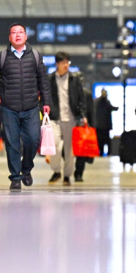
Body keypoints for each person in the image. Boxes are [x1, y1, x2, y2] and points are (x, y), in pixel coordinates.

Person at [0, 23, 52, 191]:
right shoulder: (1, 56)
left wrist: (46, 102)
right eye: (14, 32)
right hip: (8, 108)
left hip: (32, 107)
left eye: (21, 32)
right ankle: (15, 177)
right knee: (12, 143)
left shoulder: (35, 56)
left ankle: (26, 168)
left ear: (26, 36)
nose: (18, 35)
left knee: (33, 140)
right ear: (9, 37)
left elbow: (43, 81)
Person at [47, 52, 88, 185]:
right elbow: (45, 98)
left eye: (67, 63)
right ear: (57, 64)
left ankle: (67, 176)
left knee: (69, 150)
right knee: (54, 145)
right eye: (63, 63)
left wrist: (82, 116)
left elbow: (81, 99)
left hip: (71, 118)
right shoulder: (50, 79)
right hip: (55, 117)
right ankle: (56, 170)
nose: (66, 65)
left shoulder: (74, 79)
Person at [94, 89, 118, 156]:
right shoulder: (107, 102)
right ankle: (108, 152)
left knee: (100, 140)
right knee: (107, 140)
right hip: (106, 126)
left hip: (99, 125)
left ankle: (100, 152)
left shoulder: (96, 101)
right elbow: (112, 108)